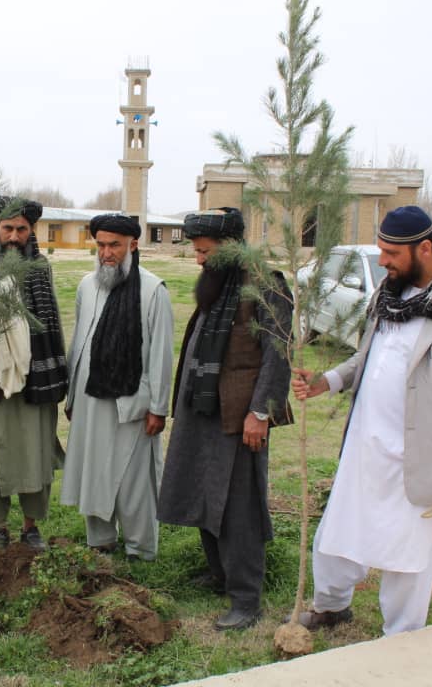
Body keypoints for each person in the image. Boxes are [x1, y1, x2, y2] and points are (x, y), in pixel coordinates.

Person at [290, 205, 432, 635]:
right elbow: (367, 359)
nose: (383, 261)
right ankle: (332, 606)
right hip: (366, 448)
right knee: (338, 532)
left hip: (423, 459)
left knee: (410, 555)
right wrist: (327, 382)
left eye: (391, 252)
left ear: (425, 248)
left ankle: (402, 638)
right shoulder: (387, 296)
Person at [158, 207, 293, 631]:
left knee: (238, 507)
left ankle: (246, 598)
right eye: (196, 251)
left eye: (205, 251)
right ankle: (219, 575)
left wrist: (260, 413)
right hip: (202, 410)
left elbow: (277, 355)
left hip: (240, 416)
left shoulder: (265, 287)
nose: (199, 260)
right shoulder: (219, 283)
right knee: (201, 491)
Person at [60, 214, 173, 561]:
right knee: (94, 470)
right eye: (101, 245)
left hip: (132, 402)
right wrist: (71, 393)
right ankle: (101, 542)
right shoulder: (86, 285)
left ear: (133, 245)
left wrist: (158, 407)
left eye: (115, 245)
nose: (107, 253)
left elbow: (161, 353)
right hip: (90, 397)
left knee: (133, 479)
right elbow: (80, 341)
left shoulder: (153, 290)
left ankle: (140, 549)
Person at [0, 196, 68, 550]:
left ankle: (31, 527)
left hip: (36, 378)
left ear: (31, 230)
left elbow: (51, 323)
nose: (15, 236)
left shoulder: (40, 267)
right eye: (8, 228)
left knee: (36, 452)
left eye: (22, 229)